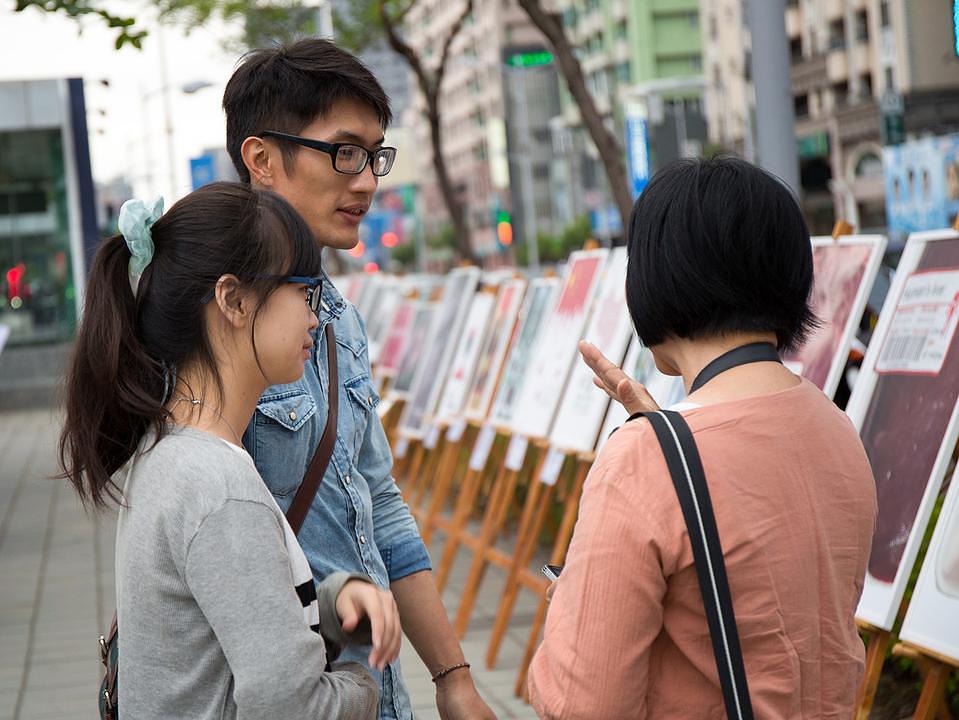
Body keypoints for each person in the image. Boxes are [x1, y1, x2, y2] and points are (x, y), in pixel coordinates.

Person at [529, 158, 877, 719]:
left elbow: (582, 704)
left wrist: (574, 598)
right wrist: (665, 438)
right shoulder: (835, 427)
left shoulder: (645, 462)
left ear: (658, 277)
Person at [223, 39, 496, 720]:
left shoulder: (337, 315)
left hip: (370, 693)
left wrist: (453, 678)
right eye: (344, 152)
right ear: (261, 160)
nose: (369, 179)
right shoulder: (213, 320)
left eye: (375, 154)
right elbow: (211, 537)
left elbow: (378, 506)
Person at [59, 182, 402, 718]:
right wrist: (368, 684)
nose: (317, 316)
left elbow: (221, 630)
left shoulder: (172, 452)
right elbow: (291, 707)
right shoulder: (218, 486)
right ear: (234, 300)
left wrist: (331, 607)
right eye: (304, 291)